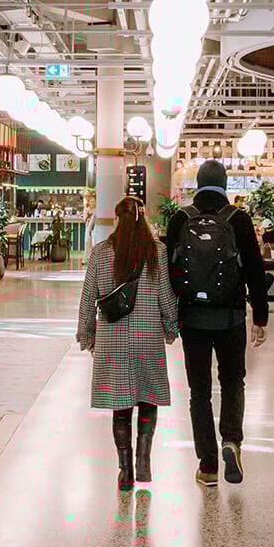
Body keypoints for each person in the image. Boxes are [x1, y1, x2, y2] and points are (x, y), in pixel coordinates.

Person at [165, 160, 269, 487]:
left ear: (197, 183)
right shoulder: (238, 219)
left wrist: (171, 319)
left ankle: (208, 465)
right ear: (225, 185)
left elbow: (168, 275)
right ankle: (231, 440)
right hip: (231, 317)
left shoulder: (180, 219)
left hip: (193, 319)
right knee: (232, 381)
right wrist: (261, 319)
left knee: (199, 391)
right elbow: (254, 269)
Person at [77, 196, 179, 490]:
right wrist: (171, 327)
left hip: (113, 340)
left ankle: (125, 470)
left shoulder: (100, 253)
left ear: (116, 218)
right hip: (147, 339)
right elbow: (165, 296)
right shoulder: (156, 252)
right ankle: (144, 461)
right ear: (142, 217)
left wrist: (86, 334)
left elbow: (88, 298)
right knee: (148, 398)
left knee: (120, 407)